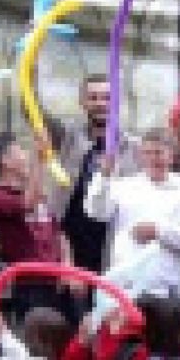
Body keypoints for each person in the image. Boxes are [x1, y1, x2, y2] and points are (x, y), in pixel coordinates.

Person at [84, 127, 180, 298]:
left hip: (164, 284)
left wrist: (158, 231)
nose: (153, 159)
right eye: (147, 153)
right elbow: (96, 211)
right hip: (125, 281)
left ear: (171, 155)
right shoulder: (124, 186)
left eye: (158, 153)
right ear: (140, 156)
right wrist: (103, 176)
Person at [0, 133, 71, 323]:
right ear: (6, 161)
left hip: (60, 282)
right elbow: (28, 204)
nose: (25, 155)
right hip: (31, 285)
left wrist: (68, 268)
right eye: (20, 150)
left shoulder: (34, 193)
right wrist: (39, 161)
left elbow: (58, 232)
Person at [54, 75, 139, 274]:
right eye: (93, 97)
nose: (100, 103)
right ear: (82, 102)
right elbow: (32, 111)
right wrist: (30, 66)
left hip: (114, 247)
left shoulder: (135, 147)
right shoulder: (67, 138)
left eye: (107, 97)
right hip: (70, 247)